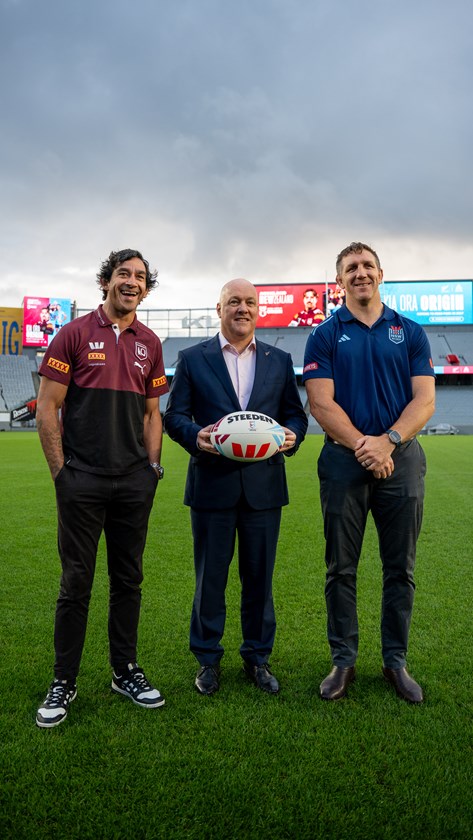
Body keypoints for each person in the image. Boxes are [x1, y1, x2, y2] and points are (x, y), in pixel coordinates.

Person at [35, 248, 168, 728]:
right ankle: (64, 680)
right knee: (76, 583)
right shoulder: (72, 334)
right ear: (106, 281)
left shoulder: (149, 342)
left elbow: (154, 414)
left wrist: (151, 470)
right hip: (82, 480)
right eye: (122, 274)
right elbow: (48, 408)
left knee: (128, 580)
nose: (131, 282)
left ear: (146, 288)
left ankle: (124, 670)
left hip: (133, 481)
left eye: (139, 277)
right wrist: (61, 473)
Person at [303, 242, 435, 704]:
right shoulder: (323, 335)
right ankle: (343, 660)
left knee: (401, 567)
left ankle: (395, 661)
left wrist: (389, 442)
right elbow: (320, 402)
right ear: (339, 281)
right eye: (350, 268)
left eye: (366, 266)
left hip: (402, 460)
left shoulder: (410, 331)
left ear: (381, 274)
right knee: (341, 567)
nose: (359, 273)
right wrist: (365, 445)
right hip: (344, 461)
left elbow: (425, 400)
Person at [164, 278, 307, 696]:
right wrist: (196, 436)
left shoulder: (279, 360)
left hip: (264, 488)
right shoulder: (192, 358)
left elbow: (295, 416)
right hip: (212, 485)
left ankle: (258, 658)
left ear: (258, 309)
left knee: (259, 578)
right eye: (233, 302)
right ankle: (207, 660)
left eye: (249, 302)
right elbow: (176, 415)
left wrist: (292, 436)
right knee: (210, 578)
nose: (241, 308)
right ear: (219, 307)